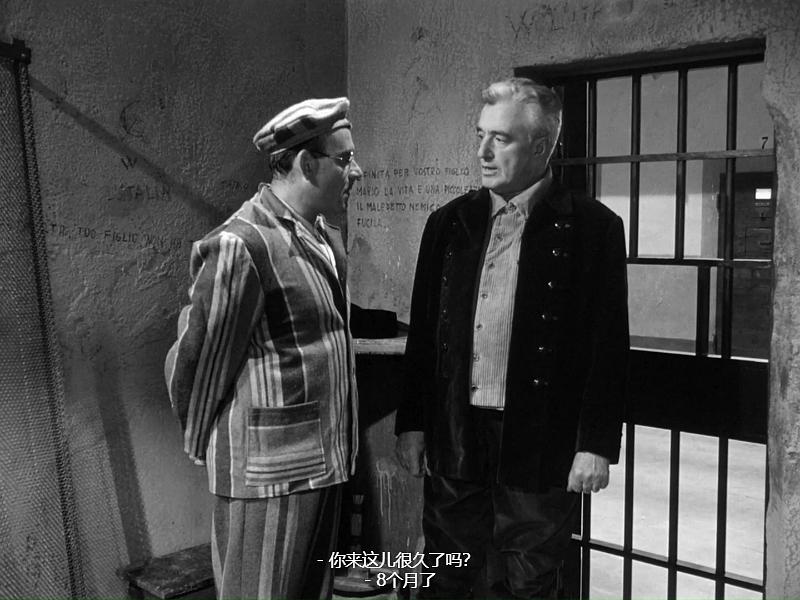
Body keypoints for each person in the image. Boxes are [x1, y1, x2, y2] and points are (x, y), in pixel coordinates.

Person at [395, 78, 629, 599]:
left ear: (542, 146)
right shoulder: (448, 223)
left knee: (530, 578)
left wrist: (595, 446)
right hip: (456, 431)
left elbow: (608, 347)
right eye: (480, 135)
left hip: (541, 436)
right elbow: (425, 334)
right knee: (447, 570)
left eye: (500, 139)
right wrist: (412, 423)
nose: (482, 151)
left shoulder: (593, 228)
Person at [165, 97, 363, 599]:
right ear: (307, 163)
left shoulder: (322, 235)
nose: (356, 171)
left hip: (323, 461)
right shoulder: (244, 243)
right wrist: (204, 444)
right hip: (271, 471)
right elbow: (199, 360)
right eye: (344, 159)